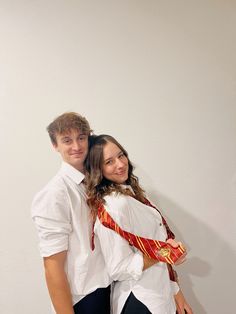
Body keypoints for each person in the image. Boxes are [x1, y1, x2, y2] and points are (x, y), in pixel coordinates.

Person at [85, 134, 193, 314]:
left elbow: (157, 241)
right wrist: (164, 252)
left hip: (161, 295)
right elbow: (118, 268)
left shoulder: (136, 195)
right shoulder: (113, 206)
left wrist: (176, 291)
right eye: (109, 162)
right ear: (98, 170)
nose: (120, 164)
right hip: (141, 301)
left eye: (121, 155)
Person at [31, 113, 112, 314]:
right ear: (55, 145)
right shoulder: (54, 194)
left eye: (81, 138)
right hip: (82, 299)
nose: (76, 146)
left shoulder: (97, 182)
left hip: (107, 288)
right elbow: (52, 266)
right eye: (67, 140)